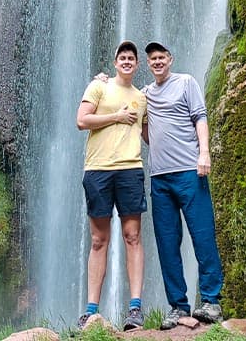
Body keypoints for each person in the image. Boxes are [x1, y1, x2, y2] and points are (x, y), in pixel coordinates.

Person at [143, 41, 224, 329]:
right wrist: (101, 81)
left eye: (161, 57)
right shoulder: (145, 94)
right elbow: (124, 102)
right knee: (167, 243)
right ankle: (178, 306)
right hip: (159, 177)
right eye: (152, 58)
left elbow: (200, 117)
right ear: (148, 63)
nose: (157, 62)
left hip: (191, 171)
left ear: (170, 59)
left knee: (203, 234)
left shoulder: (186, 82)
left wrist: (205, 152)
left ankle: (212, 301)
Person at [76, 40, 148, 330]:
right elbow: (82, 120)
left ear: (136, 64)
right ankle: (91, 311)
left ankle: (134, 309)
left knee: (132, 236)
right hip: (98, 170)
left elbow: (148, 133)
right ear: (115, 62)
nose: (127, 61)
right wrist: (116, 116)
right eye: (123, 57)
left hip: (130, 169)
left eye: (132, 57)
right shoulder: (98, 87)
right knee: (98, 240)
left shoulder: (143, 98)